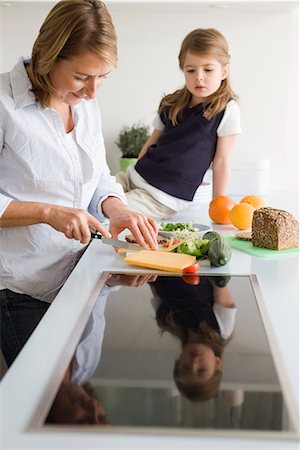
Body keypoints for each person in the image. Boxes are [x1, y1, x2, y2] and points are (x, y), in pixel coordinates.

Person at [0, 0, 158, 304]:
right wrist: (47, 213)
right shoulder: (5, 105)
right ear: (46, 55)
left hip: (85, 275)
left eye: (102, 77)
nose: (92, 92)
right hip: (22, 289)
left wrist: (117, 209)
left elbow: (98, 173)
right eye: (82, 77)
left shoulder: (85, 106)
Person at [116, 28, 242, 219]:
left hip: (161, 197)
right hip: (134, 177)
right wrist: (134, 171)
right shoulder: (171, 103)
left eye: (208, 69)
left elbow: (221, 161)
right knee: (92, 194)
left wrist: (219, 206)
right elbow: (151, 143)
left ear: (224, 70)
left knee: (106, 211)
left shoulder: (227, 110)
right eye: (191, 70)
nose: (199, 76)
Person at [149, 275, 236, 401]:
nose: (194, 364)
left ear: (179, 360)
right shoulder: (223, 327)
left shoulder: (165, 320)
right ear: (217, 363)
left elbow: (151, 280)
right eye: (202, 370)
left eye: (185, 368)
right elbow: (219, 278)